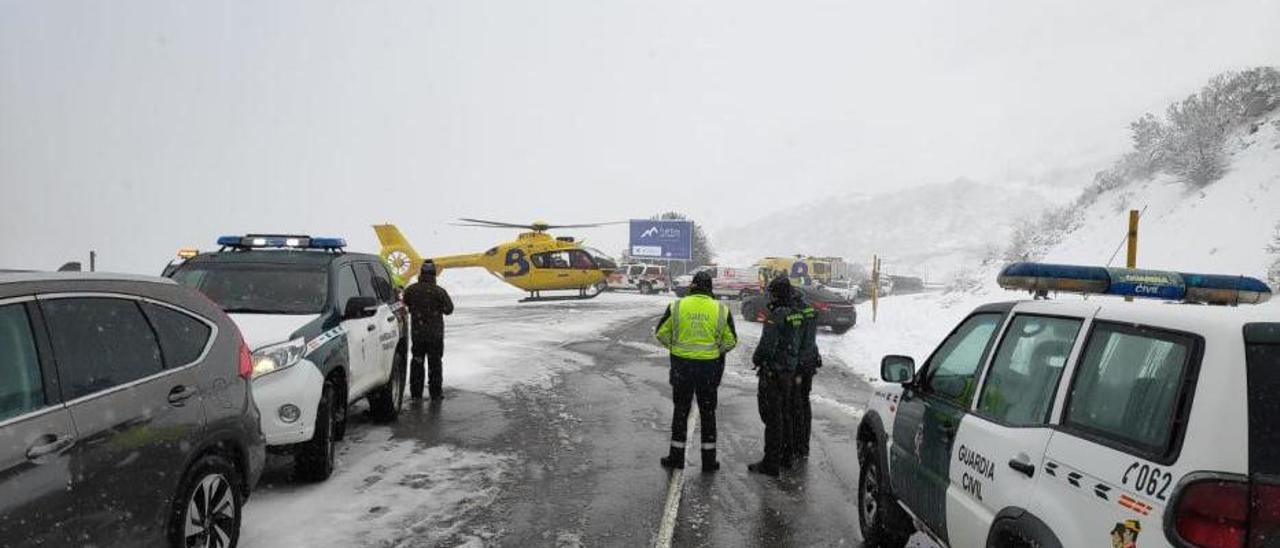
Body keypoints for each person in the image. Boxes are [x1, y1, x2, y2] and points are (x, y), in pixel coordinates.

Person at [655, 270, 737, 472]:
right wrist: (715, 352)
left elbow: (661, 333)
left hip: (682, 367)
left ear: (692, 286)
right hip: (708, 370)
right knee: (708, 413)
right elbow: (731, 340)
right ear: (710, 288)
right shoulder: (721, 309)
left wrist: (676, 348)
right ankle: (709, 461)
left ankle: (676, 457)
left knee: (681, 411)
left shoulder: (677, 306)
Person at [748, 276, 803, 476]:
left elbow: (767, 344)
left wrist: (757, 358)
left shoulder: (777, 314)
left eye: (771, 292)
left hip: (774, 372)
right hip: (789, 370)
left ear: (777, 293)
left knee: (772, 417)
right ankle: (786, 456)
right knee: (785, 415)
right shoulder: (795, 313)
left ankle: (771, 462)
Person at [403, 260, 454, 400]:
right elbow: (449, 309)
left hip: (417, 334)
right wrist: (438, 308)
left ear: (421, 273)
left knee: (417, 362)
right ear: (434, 274)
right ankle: (436, 394)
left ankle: (416, 394)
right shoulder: (439, 291)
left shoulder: (411, 290)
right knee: (435, 363)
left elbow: (405, 302)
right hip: (435, 335)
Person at [788, 288, 820, 465]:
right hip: (809, 363)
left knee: (794, 404)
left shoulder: (796, 314)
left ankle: (795, 445)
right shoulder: (811, 311)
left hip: (798, 365)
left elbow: (795, 341)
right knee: (804, 403)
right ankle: (803, 445)